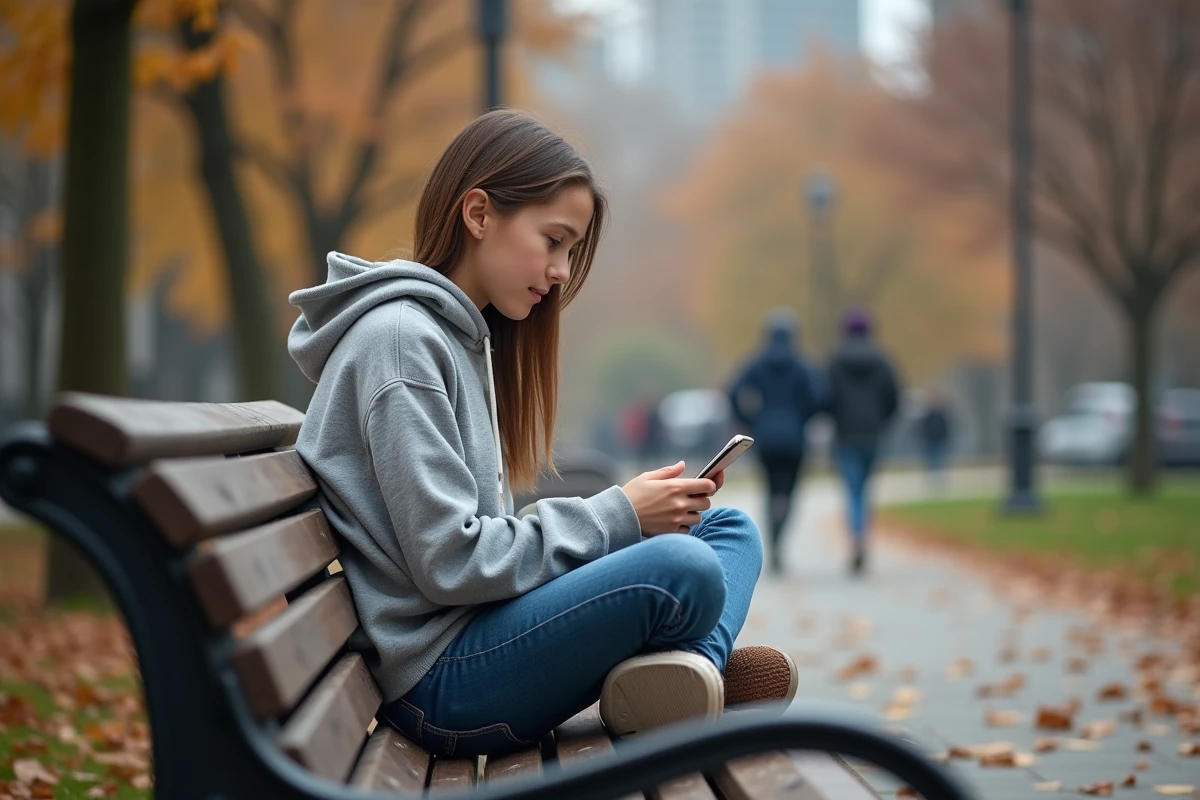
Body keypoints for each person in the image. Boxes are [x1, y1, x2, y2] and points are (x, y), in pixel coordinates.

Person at [287, 110, 796, 760]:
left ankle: (682, 681)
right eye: (554, 240)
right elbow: (451, 562)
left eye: (571, 251)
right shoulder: (401, 345)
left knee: (728, 532)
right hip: (444, 681)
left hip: (481, 636)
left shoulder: (453, 337)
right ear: (478, 215)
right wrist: (619, 516)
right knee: (684, 565)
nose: (561, 270)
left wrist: (630, 518)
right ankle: (689, 680)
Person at [727, 309, 821, 576]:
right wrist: (802, 417)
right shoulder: (802, 363)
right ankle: (780, 540)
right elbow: (819, 395)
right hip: (794, 439)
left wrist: (750, 419)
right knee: (789, 493)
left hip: (765, 437)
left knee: (770, 491)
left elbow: (733, 392)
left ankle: (773, 543)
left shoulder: (756, 363)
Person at [827, 308, 900, 576]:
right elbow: (894, 398)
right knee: (865, 490)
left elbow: (827, 397)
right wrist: (881, 421)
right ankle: (862, 537)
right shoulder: (882, 361)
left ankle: (856, 538)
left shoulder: (836, 362)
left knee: (853, 491)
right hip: (872, 435)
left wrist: (836, 418)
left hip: (846, 436)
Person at [918, 389, 954, 487]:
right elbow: (922, 429)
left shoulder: (941, 414)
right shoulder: (927, 415)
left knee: (940, 462)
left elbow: (946, 428)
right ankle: (931, 483)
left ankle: (940, 483)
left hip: (940, 441)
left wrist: (944, 438)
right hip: (929, 441)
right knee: (931, 463)